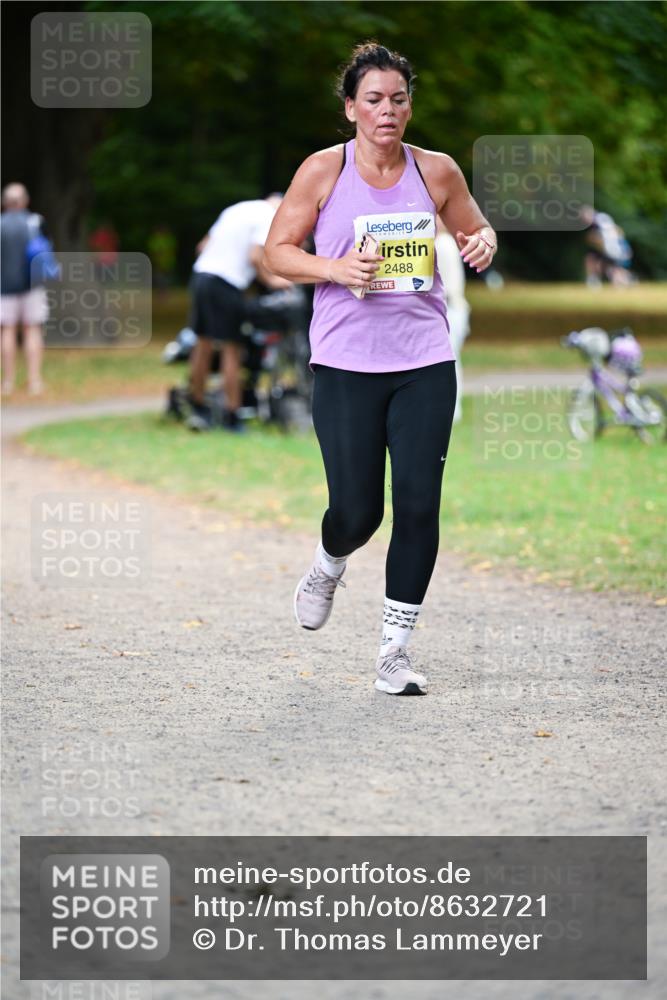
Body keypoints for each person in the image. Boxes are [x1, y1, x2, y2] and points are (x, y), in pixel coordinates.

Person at [264, 42, 497, 695]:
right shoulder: (322, 171)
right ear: (351, 108)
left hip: (423, 356)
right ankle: (329, 560)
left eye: (397, 99)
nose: (387, 110)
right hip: (343, 361)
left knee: (419, 504)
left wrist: (481, 242)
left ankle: (393, 652)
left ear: (409, 105)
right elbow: (277, 252)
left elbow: (476, 232)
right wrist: (334, 269)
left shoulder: (437, 171)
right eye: (373, 99)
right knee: (357, 511)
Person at [188, 194, 291, 432]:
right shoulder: (269, 215)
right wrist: (273, 281)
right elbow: (255, 257)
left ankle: (198, 407)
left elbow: (202, 247)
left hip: (202, 275)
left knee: (202, 344)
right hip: (227, 283)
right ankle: (232, 416)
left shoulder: (235, 209)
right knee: (231, 348)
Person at [0, 183, 50, 396]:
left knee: (7, 330)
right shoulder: (35, 222)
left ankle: (8, 382)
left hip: (4, 287)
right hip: (32, 285)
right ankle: (34, 381)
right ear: (25, 201)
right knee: (33, 330)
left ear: (4, 203)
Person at [435, 217, 470, 423]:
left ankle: (454, 409)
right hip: (451, 308)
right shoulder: (444, 243)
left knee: (451, 359)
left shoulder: (443, 244)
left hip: (451, 308)